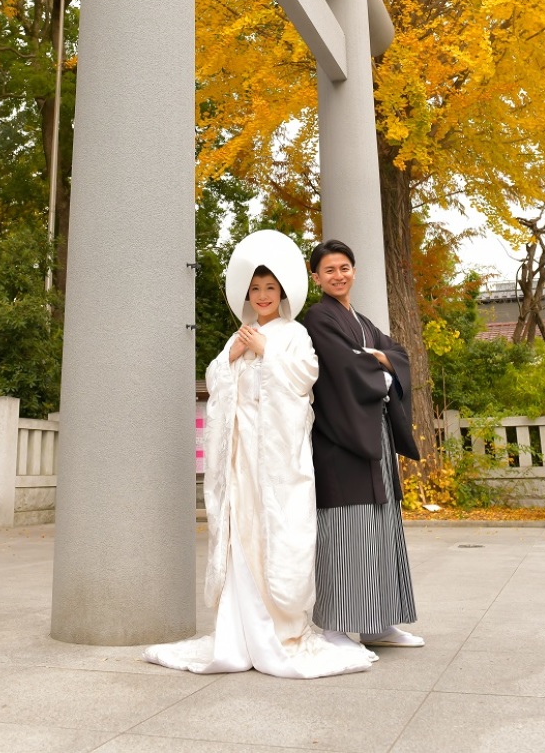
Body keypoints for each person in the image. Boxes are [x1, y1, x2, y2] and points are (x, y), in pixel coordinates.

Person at [144, 229, 375, 678]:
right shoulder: (241, 334)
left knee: (278, 532)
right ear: (247, 294)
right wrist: (231, 356)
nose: (263, 295)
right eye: (256, 289)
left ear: (282, 292)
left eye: (270, 288)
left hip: (278, 459)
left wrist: (265, 350)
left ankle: (280, 630)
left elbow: (305, 379)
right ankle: (236, 631)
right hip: (240, 457)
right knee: (239, 531)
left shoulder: (295, 334)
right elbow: (217, 381)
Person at [302, 239, 424, 650]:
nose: (338, 275)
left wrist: (382, 359)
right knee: (345, 532)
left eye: (344, 267)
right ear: (315, 276)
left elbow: (397, 352)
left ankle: (378, 624)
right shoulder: (319, 319)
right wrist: (383, 369)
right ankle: (336, 626)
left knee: (381, 529)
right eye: (329, 270)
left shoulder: (362, 321)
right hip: (341, 440)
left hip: (374, 436)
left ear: (354, 271)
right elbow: (346, 366)